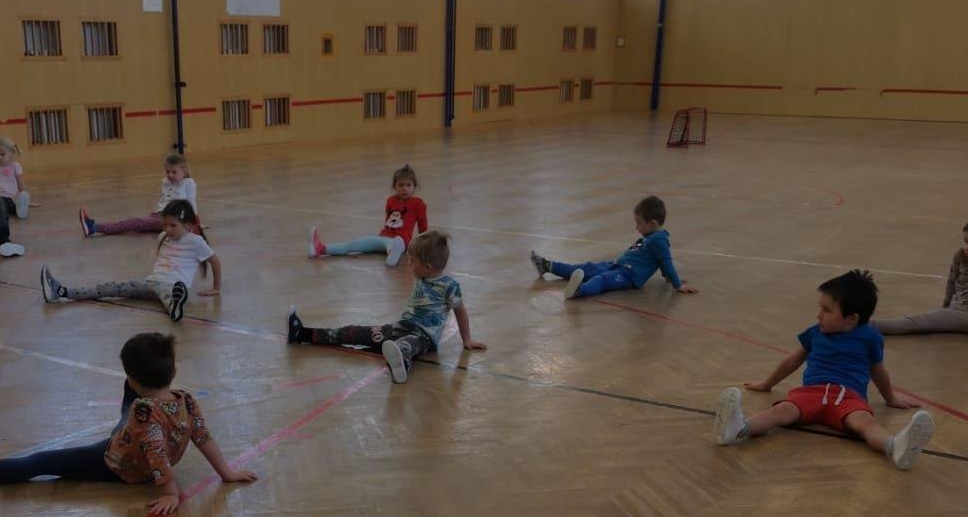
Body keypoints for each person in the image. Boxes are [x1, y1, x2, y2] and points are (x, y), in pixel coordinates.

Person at [0, 331, 256, 517]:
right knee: (130, 414)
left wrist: (171, 493)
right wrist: (225, 472)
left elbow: (157, 455)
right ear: (174, 372)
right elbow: (202, 436)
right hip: (136, 438)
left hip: (116, 462)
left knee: (42, 462)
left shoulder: (144, 413)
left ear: (135, 380)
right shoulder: (186, 399)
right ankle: (132, 398)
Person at [714, 269, 934, 470]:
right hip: (810, 393)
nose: (819, 315)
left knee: (865, 422)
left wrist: (890, 398)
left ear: (851, 319)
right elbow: (792, 361)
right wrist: (767, 384)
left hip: (848, 396)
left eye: (827, 310)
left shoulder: (870, 337)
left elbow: (878, 370)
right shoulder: (815, 332)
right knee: (780, 411)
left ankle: (895, 446)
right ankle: (738, 428)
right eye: (820, 308)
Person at [287, 228, 485, 383]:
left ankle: (401, 364)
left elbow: (460, 311)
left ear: (427, 267)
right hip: (400, 327)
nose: (409, 264)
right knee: (354, 332)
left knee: (408, 344)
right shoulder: (422, 275)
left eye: (413, 261)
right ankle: (302, 334)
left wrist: (467, 339)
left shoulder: (450, 286)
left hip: (425, 337)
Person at [41, 200, 216, 322]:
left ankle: (175, 306)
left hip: (171, 285)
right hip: (151, 283)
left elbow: (215, 262)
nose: (167, 229)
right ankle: (62, 292)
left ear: (187, 225)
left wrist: (216, 288)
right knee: (110, 288)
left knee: (168, 294)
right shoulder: (163, 236)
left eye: (173, 225)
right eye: (165, 225)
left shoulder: (196, 242)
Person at [530, 194, 696, 300]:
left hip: (629, 276)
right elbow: (661, 263)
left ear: (652, 223)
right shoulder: (650, 236)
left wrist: (677, 284)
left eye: (639, 223)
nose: (636, 227)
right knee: (584, 268)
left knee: (602, 280)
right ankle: (547, 265)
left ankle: (579, 290)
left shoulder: (659, 240)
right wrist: (668, 277)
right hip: (616, 265)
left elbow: (665, 262)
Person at [308, 164, 427, 267]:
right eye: (400, 185)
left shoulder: (417, 203)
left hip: (401, 240)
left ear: (414, 187)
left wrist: (425, 245)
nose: (404, 188)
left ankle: (393, 254)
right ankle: (321, 249)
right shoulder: (391, 200)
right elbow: (387, 221)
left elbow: (422, 224)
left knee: (397, 242)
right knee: (353, 245)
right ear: (394, 186)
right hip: (382, 237)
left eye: (408, 185)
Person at [875, 220, 968, 337]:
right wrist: (945, 309)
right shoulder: (960, 255)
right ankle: (863, 324)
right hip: (958, 311)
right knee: (909, 323)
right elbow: (951, 283)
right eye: (966, 242)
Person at [78, 150, 200, 238]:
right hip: (159, 216)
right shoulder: (165, 182)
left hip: (171, 219)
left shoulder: (189, 183)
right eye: (167, 172)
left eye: (174, 172)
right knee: (137, 225)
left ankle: (94, 227)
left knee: (133, 222)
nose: (170, 175)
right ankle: (95, 227)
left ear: (184, 171)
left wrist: (194, 224)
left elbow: (191, 203)